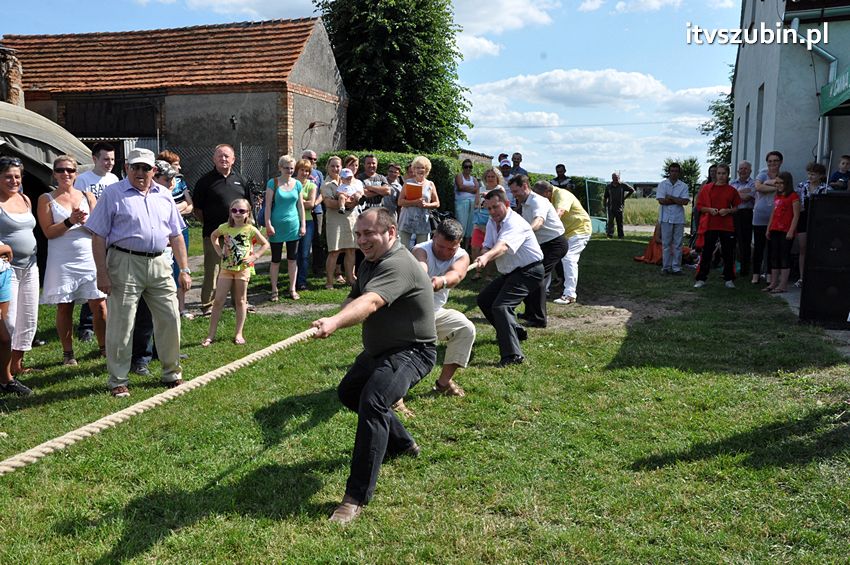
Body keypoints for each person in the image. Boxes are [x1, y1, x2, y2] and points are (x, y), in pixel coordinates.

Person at [311, 207, 437, 525]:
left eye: (370, 233)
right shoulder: (370, 262)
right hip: (380, 351)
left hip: (412, 351)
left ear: (391, 232)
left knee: (374, 401)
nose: (363, 240)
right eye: (359, 234)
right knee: (350, 392)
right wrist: (332, 317)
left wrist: (335, 323)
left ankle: (355, 498)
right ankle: (403, 443)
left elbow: (370, 303)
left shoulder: (398, 264)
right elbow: (356, 297)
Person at [86, 148, 192, 398]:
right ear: (127, 169)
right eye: (135, 167)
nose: (140, 172)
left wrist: (185, 269)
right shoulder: (113, 194)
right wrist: (102, 273)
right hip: (124, 263)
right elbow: (98, 235)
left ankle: (172, 373)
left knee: (169, 318)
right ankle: (118, 380)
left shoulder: (165, 195)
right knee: (122, 323)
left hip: (159, 263)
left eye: (146, 168)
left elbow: (176, 234)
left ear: (154, 170)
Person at [37, 156, 107, 365]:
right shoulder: (46, 198)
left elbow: (98, 230)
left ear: (76, 173)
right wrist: (70, 221)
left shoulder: (88, 196)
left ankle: (104, 347)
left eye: (69, 170)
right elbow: (48, 232)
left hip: (88, 255)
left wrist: (85, 222)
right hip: (62, 258)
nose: (65, 174)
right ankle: (68, 353)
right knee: (64, 306)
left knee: (100, 304)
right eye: (60, 170)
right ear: (54, 173)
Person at [475, 189, 544, 367]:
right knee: (484, 300)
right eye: (488, 208)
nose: (492, 212)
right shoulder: (493, 221)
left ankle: (513, 356)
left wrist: (487, 257)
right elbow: (488, 244)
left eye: (495, 207)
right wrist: (483, 254)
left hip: (530, 271)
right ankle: (516, 331)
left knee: (501, 307)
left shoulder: (515, 223)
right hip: (512, 272)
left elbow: (502, 246)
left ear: (506, 204)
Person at [412, 219, 475, 397]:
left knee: (465, 329)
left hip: (434, 313)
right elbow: (420, 265)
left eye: (451, 248)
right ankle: (396, 394)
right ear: (434, 237)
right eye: (440, 247)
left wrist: (443, 281)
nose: (445, 252)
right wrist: (424, 278)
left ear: (459, 243)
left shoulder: (462, 255)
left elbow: (457, 274)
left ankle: (443, 383)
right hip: (409, 313)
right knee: (404, 350)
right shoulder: (420, 249)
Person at [192, 144, 251, 317]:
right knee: (213, 270)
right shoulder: (205, 181)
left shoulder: (241, 180)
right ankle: (207, 305)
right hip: (214, 234)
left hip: (238, 235)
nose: (223, 159)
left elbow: (248, 206)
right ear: (214, 159)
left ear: (233, 159)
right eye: (220, 156)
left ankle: (239, 302)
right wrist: (213, 227)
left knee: (237, 269)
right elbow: (197, 209)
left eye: (227, 156)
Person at [203, 198, 270, 346]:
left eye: (242, 211)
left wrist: (255, 256)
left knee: (240, 301)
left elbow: (265, 244)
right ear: (230, 213)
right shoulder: (224, 227)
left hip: (243, 270)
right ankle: (210, 335)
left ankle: (239, 333)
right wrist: (219, 251)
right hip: (226, 269)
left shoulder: (251, 229)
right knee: (218, 300)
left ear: (248, 213)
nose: (238, 213)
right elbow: (214, 236)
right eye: (234, 210)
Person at [74, 142, 119, 342]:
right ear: (94, 159)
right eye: (105, 159)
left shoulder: (114, 179)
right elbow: (78, 206)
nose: (109, 163)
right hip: (91, 235)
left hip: (113, 236)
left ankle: (109, 320)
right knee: (94, 280)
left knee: (112, 279)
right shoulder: (83, 180)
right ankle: (87, 325)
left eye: (112, 159)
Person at [509, 175, 566, 328]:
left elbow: (538, 221)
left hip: (555, 244)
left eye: (516, 191)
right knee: (528, 274)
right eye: (512, 192)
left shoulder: (537, 201)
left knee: (537, 277)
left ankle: (539, 319)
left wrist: (525, 233)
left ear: (525, 186)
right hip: (542, 244)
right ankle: (530, 313)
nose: (514, 195)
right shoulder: (524, 202)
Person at [0, 156, 39, 377]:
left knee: (28, 318)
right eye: (7, 176)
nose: (13, 180)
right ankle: (5, 373)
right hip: (7, 270)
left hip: (30, 266)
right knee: (9, 321)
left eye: (17, 176)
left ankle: (17, 364)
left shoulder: (25, 199)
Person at [533, 180, 592, 305]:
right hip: (564, 232)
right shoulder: (547, 198)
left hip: (579, 230)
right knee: (546, 257)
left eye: (540, 196)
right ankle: (542, 289)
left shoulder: (562, 195)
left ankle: (570, 295)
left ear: (548, 192)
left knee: (569, 258)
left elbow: (559, 213)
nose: (538, 199)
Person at [157, 151, 194, 318]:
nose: (179, 167)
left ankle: (181, 307)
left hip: (181, 230)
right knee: (165, 269)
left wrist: (175, 209)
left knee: (180, 268)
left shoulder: (180, 181)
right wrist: (179, 208)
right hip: (163, 234)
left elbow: (190, 205)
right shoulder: (157, 185)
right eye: (175, 164)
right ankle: (166, 307)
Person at [265, 154, 306, 301]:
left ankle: (292, 289)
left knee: (292, 259)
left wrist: (303, 225)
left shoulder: (298, 184)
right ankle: (274, 290)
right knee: (275, 259)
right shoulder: (273, 183)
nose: (289, 171)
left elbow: (300, 206)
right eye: (286, 168)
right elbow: (268, 206)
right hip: (276, 226)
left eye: (291, 168)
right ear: (280, 168)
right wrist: (268, 223)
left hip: (293, 226)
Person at [693, 164, 741, 289]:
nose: (720, 176)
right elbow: (699, 206)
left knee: (728, 253)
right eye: (719, 173)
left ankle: (729, 278)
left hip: (726, 225)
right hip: (710, 224)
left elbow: (736, 208)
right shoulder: (707, 188)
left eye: (723, 173)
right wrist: (709, 210)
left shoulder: (732, 190)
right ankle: (701, 278)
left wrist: (728, 211)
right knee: (707, 252)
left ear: (728, 175)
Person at [322, 156, 359, 289]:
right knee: (334, 251)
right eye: (332, 166)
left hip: (350, 219)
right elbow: (328, 203)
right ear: (328, 167)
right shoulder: (326, 184)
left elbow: (357, 198)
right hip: (335, 221)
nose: (335, 169)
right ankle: (329, 282)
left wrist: (352, 201)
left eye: (338, 166)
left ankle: (350, 278)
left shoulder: (349, 181)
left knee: (351, 250)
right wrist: (345, 203)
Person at [764, 172, 800, 294]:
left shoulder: (793, 196)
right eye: (777, 183)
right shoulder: (777, 196)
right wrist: (768, 228)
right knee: (774, 256)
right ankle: (773, 283)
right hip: (775, 229)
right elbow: (773, 214)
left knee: (784, 256)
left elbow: (796, 215)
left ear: (787, 183)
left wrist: (791, 230)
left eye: (781, 183)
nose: (778, 185)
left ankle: (783, 284)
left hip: (786, 230)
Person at [795, 161, 829, 287]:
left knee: (817, 248)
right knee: (803, 248)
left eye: (813, 174)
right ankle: (802, 277)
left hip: (818, 219)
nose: (810, 177)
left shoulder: (825, 188)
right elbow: (797, 200)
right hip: (803, 217)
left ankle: (816, 276)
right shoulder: (801, 186)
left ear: (821, 176)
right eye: (809, 174)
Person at [752, 151, 782, 284]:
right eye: (770, 161)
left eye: (775, 161)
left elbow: (784, 189)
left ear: (780, 162)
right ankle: (756, 274)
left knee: (773, 247)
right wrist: (775, 186)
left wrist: (769, 185)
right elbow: (758, 187)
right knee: (759, 246)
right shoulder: (762, 174)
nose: (772, 163)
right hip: (760, 215)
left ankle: (769, 273)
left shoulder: (783, 176)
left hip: (776, 216)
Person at [398, 155, 441, 249]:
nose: (420, 170)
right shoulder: (408, 182)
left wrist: (426, 205)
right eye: (417, 167)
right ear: (413, 169)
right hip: (407, 220)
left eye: (423, 167)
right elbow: (400, 202)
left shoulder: (430, 184)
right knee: (402, 249)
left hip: (423, 221)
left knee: (423, 249)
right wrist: (414, 202)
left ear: (427, 170)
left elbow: (437, 203)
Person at [0, 236, 24, 395]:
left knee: (4, 334)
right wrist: (6, 249)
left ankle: (5, 380)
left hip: (3, 272)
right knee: (4, 337)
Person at [656, 162, 690, 275]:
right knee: (666, 243)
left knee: (678, 244)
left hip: (678, 219)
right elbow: (661, 201)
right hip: (665, 218)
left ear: (679, 172)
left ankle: (676, 267)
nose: (674, 173)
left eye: (676, 171)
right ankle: (665, 267)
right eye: (672, 171)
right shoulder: (662, 185)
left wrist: (670, 197)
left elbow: (685, 201)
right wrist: (677, 200)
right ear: (669, 172)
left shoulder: (683, 186)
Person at [471, 167, 505, 278]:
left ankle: (489, 274)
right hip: (480, 220)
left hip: (494, 221)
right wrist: (480, 206)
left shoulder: (500, 189)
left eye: (492, 176)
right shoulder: (481, 189)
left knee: (490, 247)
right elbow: (476, 204)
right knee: (475, 246)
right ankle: (478, 271)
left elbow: (504, 205)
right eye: (488, 176)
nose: (490, 179)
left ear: (497, 178)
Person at [294, 158, 321, 291]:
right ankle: (292, 280)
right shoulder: (291, 184)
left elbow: (311, 204)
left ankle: (302, 281)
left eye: (307, 171)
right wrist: (302, 202)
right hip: (292, 221)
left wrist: (296, 203)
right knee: (292, 254)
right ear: (297, 170)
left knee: (304, 254)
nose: (304, 173)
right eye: (302, 170)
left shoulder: (312, 185)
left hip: (308, 221)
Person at [730, 161, 755, 278]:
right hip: (733, 214)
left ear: (750, 171)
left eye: (746, 169)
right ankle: (730, 269)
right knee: (730, 242)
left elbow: (746, 198)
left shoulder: (753, 183)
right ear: (737, 170)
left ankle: (745, 270)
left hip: (746, 214)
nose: (743, 171)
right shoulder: (732, 182)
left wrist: (735, 194)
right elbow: (729, 198)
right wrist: (740, 193)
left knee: (744, 243)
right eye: (741, 168)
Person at [453, 159, 479, 249]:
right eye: (466, 166)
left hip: (472, 203)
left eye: (470, 167)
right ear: (463, 167)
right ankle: (458, 246)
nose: (468, 168)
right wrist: (472, 188)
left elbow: (477, 190)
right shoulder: (459, 176)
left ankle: (467, 247)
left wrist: (467, 188)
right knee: (461, 224)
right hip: (461, 203)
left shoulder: (474, 179)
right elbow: (460, 187)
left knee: (470, 226)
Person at [604, 173, 635, 239]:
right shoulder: (608, 186)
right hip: (611, 207)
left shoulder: (622, 185)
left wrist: (625, 197)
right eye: (614, 178)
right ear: (612, 178)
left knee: (619, 223)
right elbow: (605, 197)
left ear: (619, 178)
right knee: (610, 222)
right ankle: (610, 235)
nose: (616, 179)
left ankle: (621, 236)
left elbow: (632, 190)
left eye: (617, 178)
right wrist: (604, 205)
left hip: (619, 207)